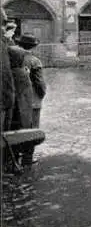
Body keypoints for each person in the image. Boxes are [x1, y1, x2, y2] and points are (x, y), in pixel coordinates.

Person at [10, 34, 46, 166]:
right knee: (32, 130)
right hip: (32, 101)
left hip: (15, 100)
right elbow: (40, 83)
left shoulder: (12, 57)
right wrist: (41, 95)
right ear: (34, 46)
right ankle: (27, 159)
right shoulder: (34, 61)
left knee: (15, 128)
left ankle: (13, 158)